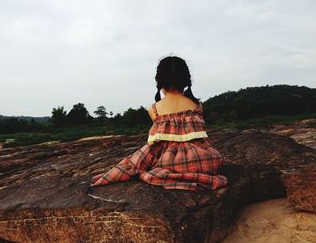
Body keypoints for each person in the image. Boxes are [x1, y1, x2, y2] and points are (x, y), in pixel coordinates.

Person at [90, 55, 227, 190]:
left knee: (134, 163)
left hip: (166, 160)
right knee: (211, 160)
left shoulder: (154, 109)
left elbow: (156, 144)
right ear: (186, 80)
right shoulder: (197, 106)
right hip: (200, 159)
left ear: (160, 81)